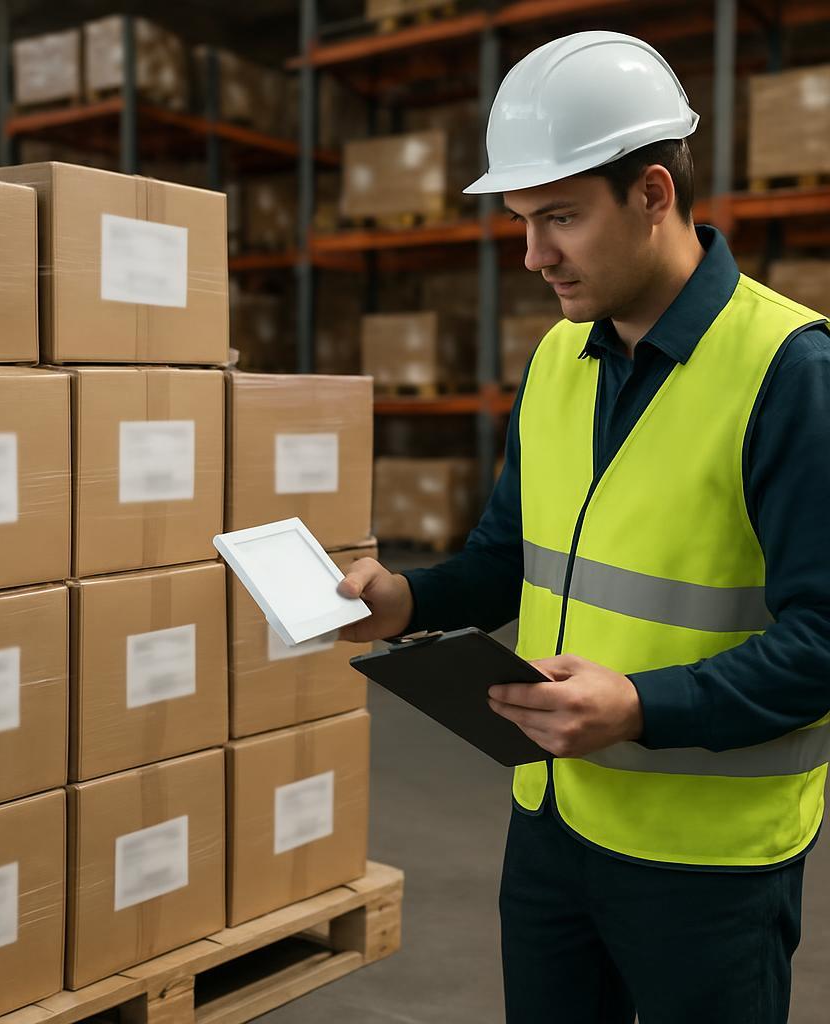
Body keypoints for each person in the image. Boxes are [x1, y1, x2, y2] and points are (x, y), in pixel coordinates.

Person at [336, 30, 830, 1024]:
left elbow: (823, 638)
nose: (532, 255)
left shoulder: (789, 373)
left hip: (706, 863)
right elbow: (504, 560)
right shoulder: (560, 363)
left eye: (558, 217)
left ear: (653, 193)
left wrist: (640, 704)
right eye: (521, 221)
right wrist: (404, 600)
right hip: (554, 822)